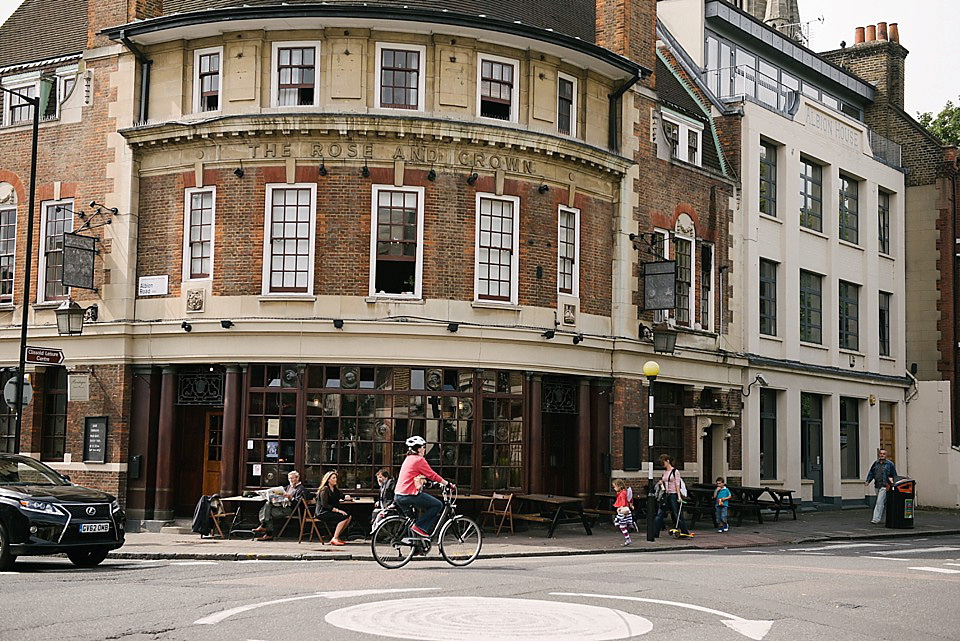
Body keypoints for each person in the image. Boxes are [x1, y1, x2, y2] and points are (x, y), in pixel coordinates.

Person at [394, 435, 451, 537]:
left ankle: (415, 547)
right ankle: (421, 527)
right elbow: (432, 475)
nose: (425, 449)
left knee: (412, 521)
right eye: (424, 447)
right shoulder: (419, 460)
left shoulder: (408, 459)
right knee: (437, 505)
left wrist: (427, 483)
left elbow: (413, 477)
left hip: (398, 495)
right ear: (419, 449)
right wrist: (447, 483)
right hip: (409, 495)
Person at [253, 470, 304, 541]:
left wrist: (290, 498)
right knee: (268, 504)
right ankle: (266, 529)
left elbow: (299, 502)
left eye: (292, 478)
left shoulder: (300, 488)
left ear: (297, 478)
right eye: (289, 478)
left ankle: (266, 530)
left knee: (267, 513)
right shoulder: (289, 487)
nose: (290, 480)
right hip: (281, 507)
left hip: (291, 509)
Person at [653, 454, 689, 538]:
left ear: (667, 461)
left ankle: (684, 531)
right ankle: (655, 533)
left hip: (673, 494)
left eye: (663, 463)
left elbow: (677, 484)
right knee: (660, 513)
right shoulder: (664, 472)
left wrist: (679, 497)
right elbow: (664, 481)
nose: (663, 465)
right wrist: (661, 483)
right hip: (666, 494)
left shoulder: (675, 472)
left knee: (677, 514)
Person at [316, 470, 352, 546]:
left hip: (330, 511)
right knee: (344, 517)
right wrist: (338, 511)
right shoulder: (325, 489)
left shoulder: (335, 489)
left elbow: (341, 496)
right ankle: (335, 538)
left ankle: (337, 536)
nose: (335, 479)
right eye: (333, 478)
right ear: (328, 480)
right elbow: (324, 505)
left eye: (336, 478)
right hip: (323, 512)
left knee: (349, 516)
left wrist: (346, 497)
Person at [864, 449, 898, 524]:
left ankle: (876, 519)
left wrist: (893, 484)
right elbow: (871, 473)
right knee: (881, 502)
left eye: (883, 454)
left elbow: (894, 475)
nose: (882, 455)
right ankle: (884, 514)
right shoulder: (876, 464)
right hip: (877, 485)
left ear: (886, 455)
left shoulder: (890, 464)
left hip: (885, 485)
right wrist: (868, 481)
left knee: (879, 502)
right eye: (880, 454)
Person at [612, 479, 633, 546]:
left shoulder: (622, 493)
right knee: (617, 523)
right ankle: (630, 524)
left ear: (619, 486)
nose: (614, 488)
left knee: (621, 525)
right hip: (623, 511)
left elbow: (623, 501)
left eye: (614, 487)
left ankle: (628, 538)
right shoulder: (622, 492)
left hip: (623, 511)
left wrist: (621, 507)